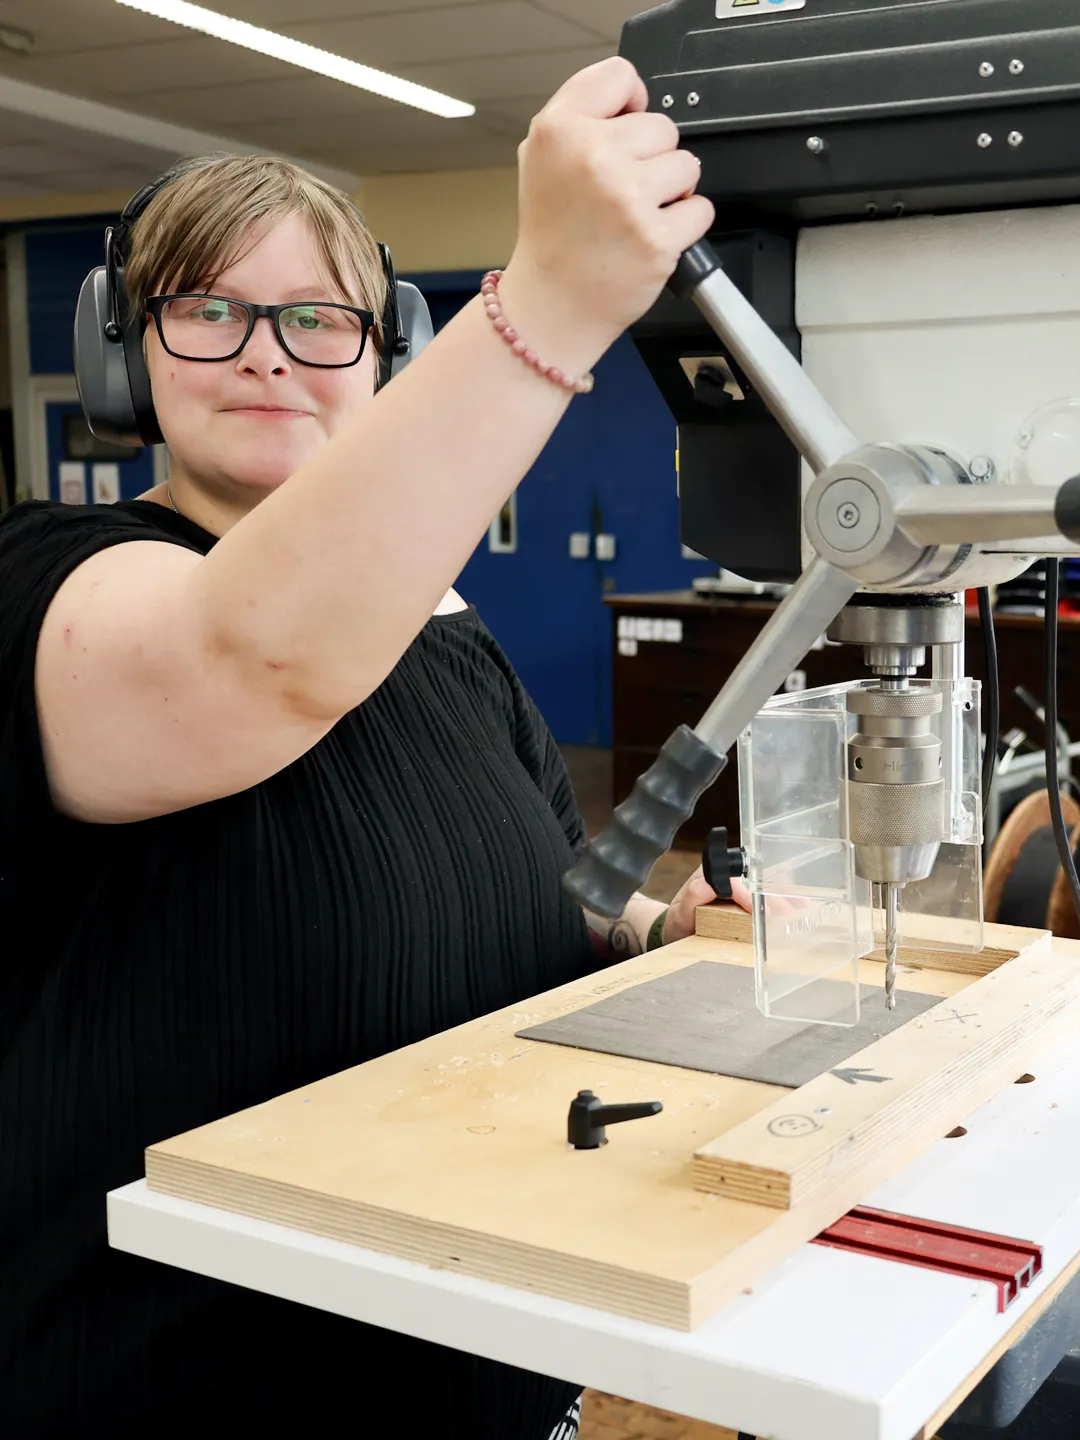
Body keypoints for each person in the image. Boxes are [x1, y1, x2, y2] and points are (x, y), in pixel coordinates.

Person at [0, 58, 734, 1436]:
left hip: (473, 1354)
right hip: (175, 1382)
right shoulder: (47, 581)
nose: (267, 350)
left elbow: (560, 892)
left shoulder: (443, 627)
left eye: (316, 318)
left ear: (381, 346)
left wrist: (664, 931)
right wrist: (554, 302)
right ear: (126, 351)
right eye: (210, 309)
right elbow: (247, 659)